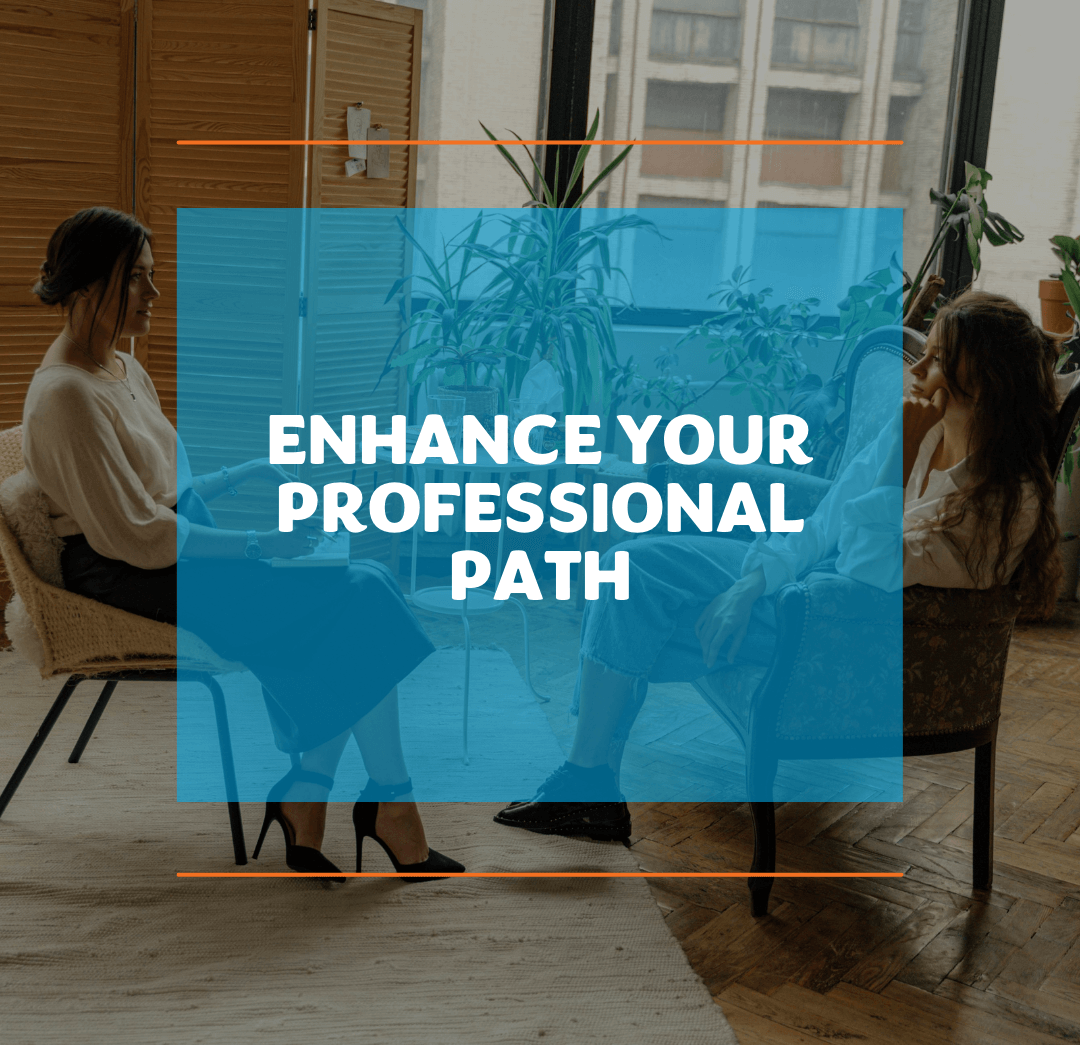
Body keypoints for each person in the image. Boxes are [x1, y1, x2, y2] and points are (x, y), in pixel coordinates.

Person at [495, 291, 1064, 843]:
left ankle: (588, 785)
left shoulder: (1003, 502)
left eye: (937, 357)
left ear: (984, 383)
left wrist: (897, 461)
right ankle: (588, 780)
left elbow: (868, 568)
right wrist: (750, 584)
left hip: (848, 629)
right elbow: (825, 523)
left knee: (637, 617)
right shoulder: (923, 429)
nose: (918, 368)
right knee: (632, 567)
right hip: (802, 590)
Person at [21, 206, 464, 882]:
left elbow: (163, 482)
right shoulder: (65, 395)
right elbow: (137, 532)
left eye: (152, 276)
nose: (154, 293)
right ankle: (377, 805)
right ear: (86, 286)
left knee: (360, 594)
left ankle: (317, 796)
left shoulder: (118, 366)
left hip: (171, 543)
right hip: (130, 569)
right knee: (361, 597)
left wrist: (240, 476)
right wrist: (260, 545)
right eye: (138, 279)